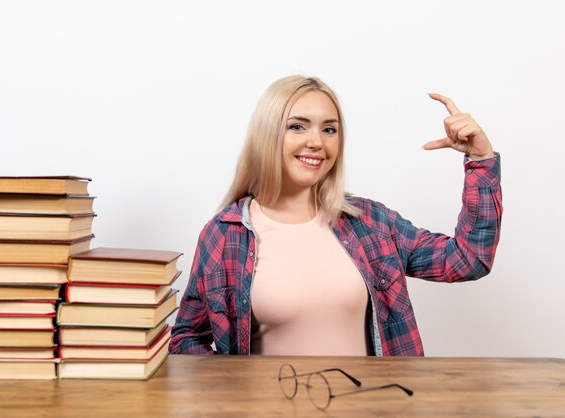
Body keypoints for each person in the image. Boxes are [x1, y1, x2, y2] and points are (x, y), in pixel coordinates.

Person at [169, 75, 501, 356]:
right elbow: (187, 339)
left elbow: (467, 259)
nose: (316, 142)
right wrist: (233, 394)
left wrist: (480, 159)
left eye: (329, 129)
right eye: (298, 126)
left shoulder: (370, 223)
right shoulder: (225, 234)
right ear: (266, 135)